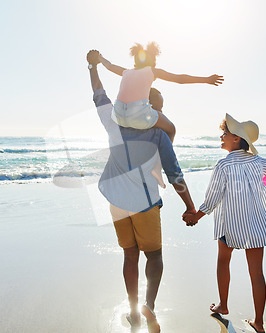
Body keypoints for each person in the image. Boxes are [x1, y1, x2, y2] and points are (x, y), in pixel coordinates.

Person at [86, 49, 197, 332]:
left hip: (116, 203)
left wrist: (92, 67)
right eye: (158, 108)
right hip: (144, 204)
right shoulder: (158, 134)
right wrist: (190, 206)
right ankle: (149, 305)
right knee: (155, 257)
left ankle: (134, 313)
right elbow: (175, 174)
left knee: (129, 256)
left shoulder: (113, 122)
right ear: (149, 107)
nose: (160, 113)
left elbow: (100, 95)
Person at [183, 114, 266, 333]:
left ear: (236, 139)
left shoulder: (223, 165)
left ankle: (223, 305)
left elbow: (212, 200)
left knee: (223, 260)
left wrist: (195, 217)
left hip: (230, 227)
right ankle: (259, 322)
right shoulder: (259, 162)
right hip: (257, 226)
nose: (221, 137)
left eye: (224, 134)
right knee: (257, 273)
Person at [97, 42, 224, 142]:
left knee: (147, 114)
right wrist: (206, 79)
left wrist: (99, 58)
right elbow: (180, 79)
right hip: (138, 115)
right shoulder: (153, 71)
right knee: (171, 128)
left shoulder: (125, 72)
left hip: (118, 116)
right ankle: (165, 157)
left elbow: (109, 65)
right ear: (153, 61)